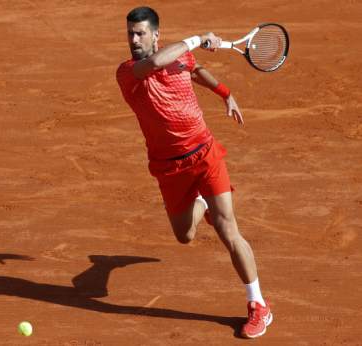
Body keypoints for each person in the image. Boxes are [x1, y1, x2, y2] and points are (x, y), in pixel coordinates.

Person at [116, 6, 272, 339]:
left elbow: (195, 69)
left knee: (228, 231)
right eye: (130, 32)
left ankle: (258, 304)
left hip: (204, 154)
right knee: (184, 235)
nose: (133, 39)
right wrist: (199, 38)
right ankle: (203, 201)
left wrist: (225, 93)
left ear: (155, 34)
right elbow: (159, 62)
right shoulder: (128, 72)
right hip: (168, 168)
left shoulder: (179, 57)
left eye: (140, 32)